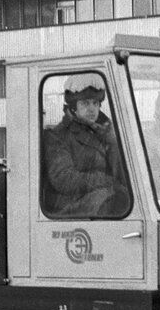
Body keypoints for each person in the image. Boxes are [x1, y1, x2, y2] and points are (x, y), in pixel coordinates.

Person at [43, 73, 129, 217]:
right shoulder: (58, 136)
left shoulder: (107, 133)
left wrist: (113, 143)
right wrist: (107, 181)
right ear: (73, 107)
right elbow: (64, 179)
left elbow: (124, 173)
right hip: (72, 208)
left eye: (95, 103)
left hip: (104, 201)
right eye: (85, 103)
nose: (92, 109)